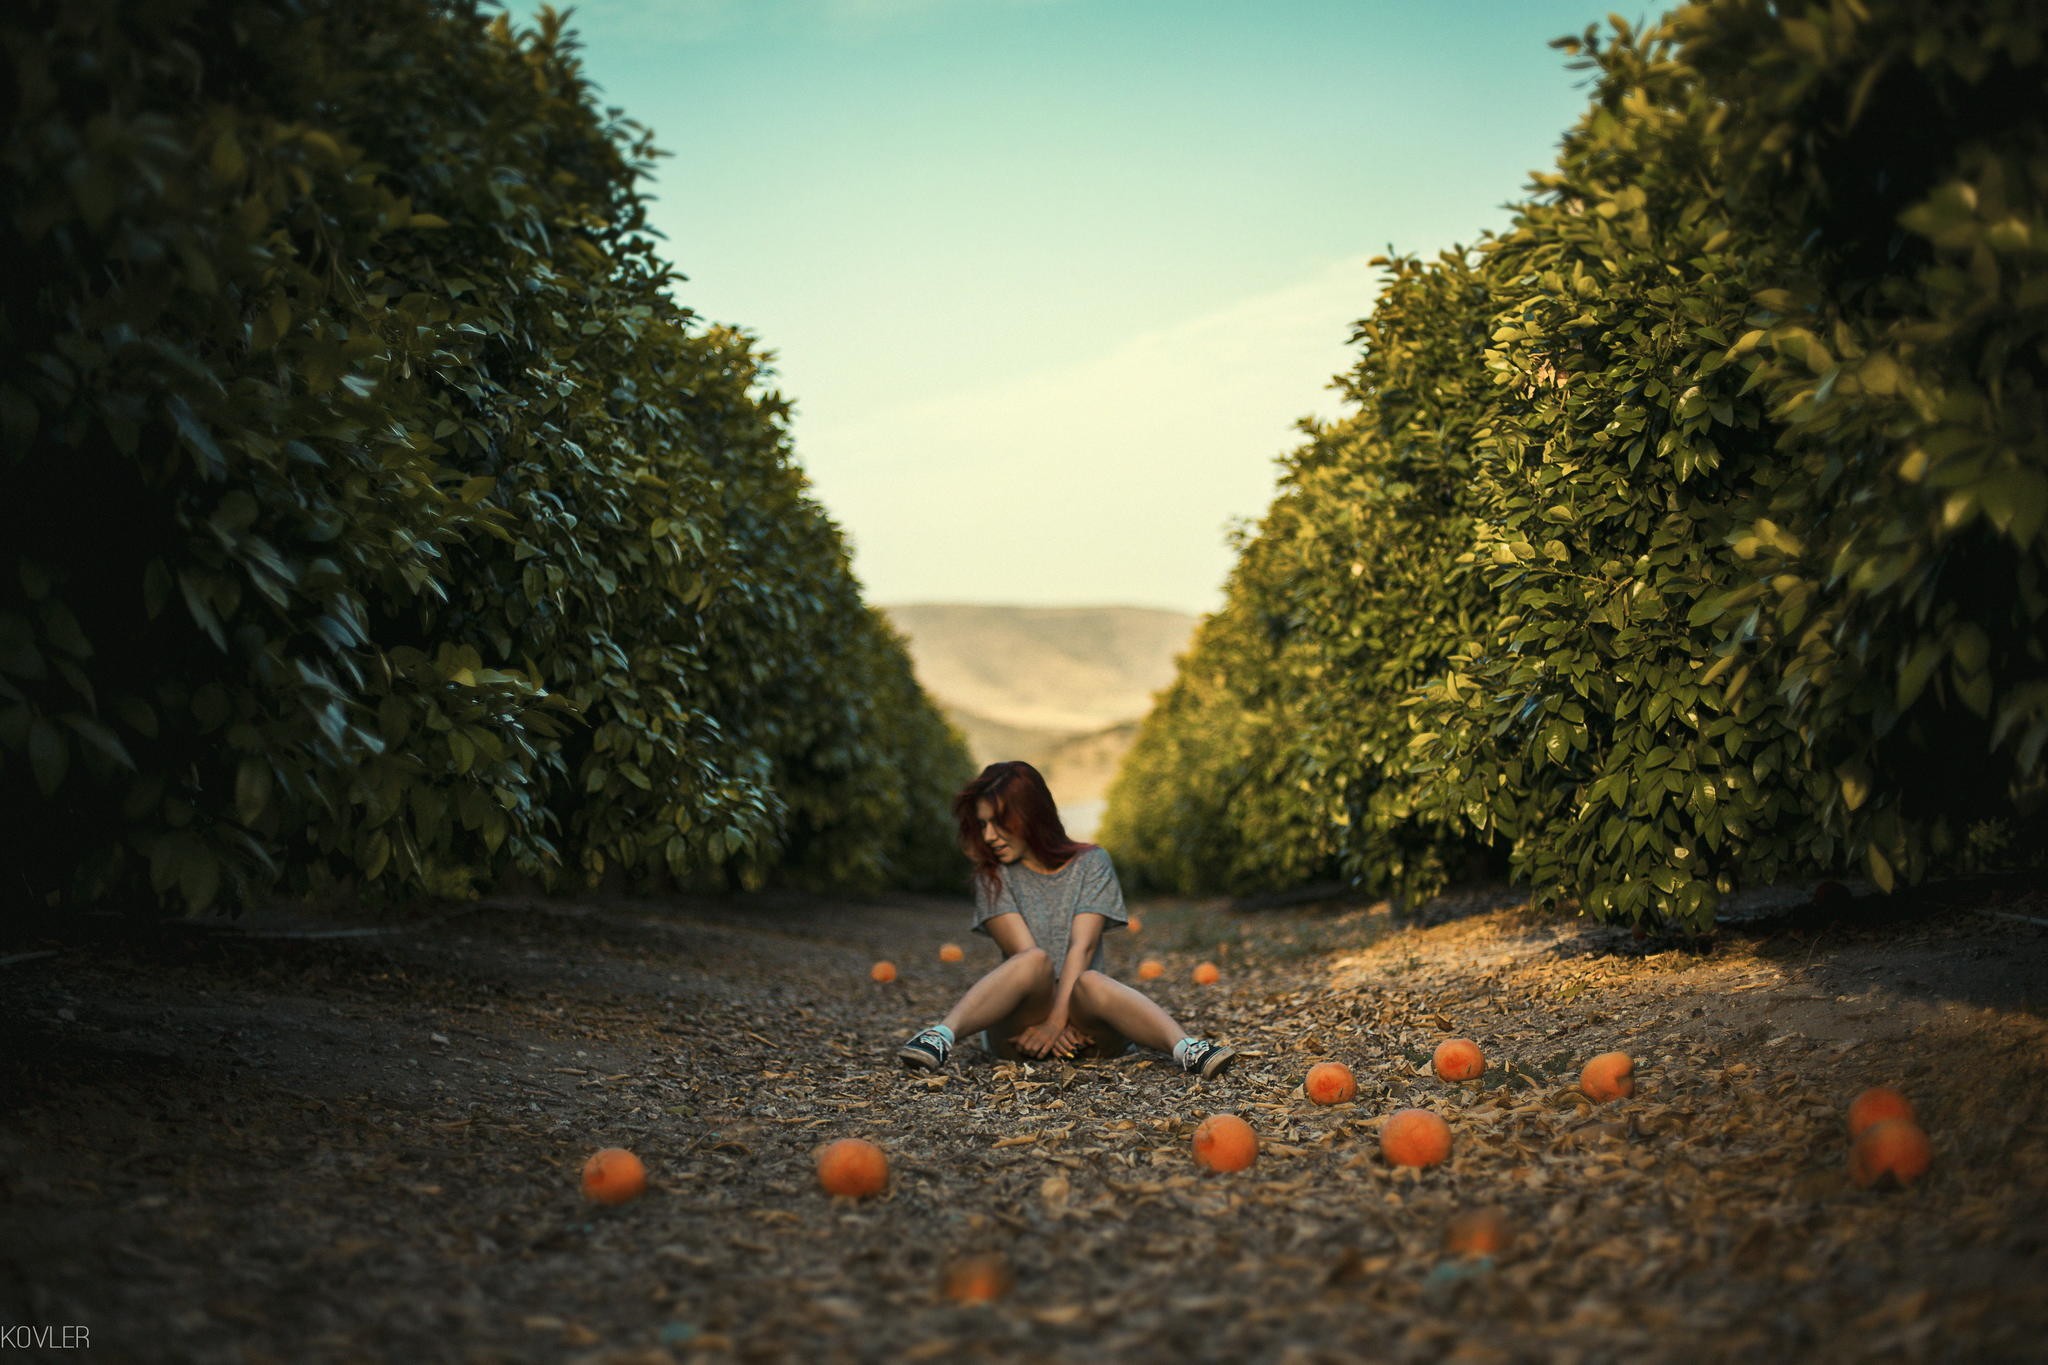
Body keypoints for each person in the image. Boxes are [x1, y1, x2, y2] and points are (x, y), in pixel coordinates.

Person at [897, 760, 1237, 1078]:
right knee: (1034, 960)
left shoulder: (1092, 863)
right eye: (983, 824)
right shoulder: (993, 875)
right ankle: (940, 1036)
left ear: (1032, 816)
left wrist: (1058, 1022)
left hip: (1083, 1025)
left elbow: (1082, 946)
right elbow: (1029, 961)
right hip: (1019, 1028)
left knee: (1091, 981)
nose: (988, 836)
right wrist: (1048, 1023)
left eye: (999, 823)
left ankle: (1187, 1049)